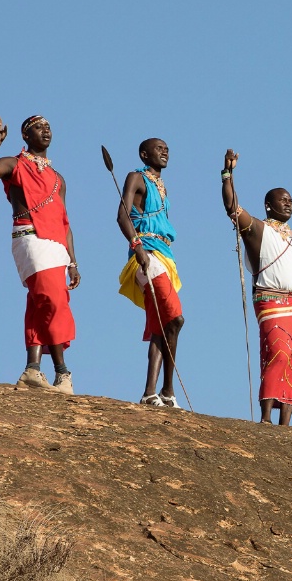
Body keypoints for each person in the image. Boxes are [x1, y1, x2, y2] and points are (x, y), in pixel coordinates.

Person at [0, 116, 79, 393]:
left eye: (48, 127)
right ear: (26, 137)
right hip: (30, 237)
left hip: (57, 246)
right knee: (51, 300)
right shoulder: (14, 163)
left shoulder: (59, 179)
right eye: (38, 128)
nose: (45, 131)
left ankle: (32, 370)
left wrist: (73, 261)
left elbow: (65, 222)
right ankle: (62, 373)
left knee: (38, 302)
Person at [220, 150, 292, 424]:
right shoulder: (257, 230)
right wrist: (227, 174)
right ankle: (266, 417)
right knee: (277, 354)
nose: (288, 204)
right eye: (283, 199)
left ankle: (285, 424)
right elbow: (232, 207)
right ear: (268, 205)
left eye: (291, 200)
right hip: (271, 302)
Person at [117, 138, 185, 408]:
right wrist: (137, 247)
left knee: (162, 325)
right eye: (159, 148)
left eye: (167, 148)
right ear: (144, 154)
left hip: (165, 255)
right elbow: (122, 215)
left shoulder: (163, 186)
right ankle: (167, 389)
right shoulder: (136, 177)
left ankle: (152, 393)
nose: (165, 151)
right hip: (146, 254)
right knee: (176, 319)